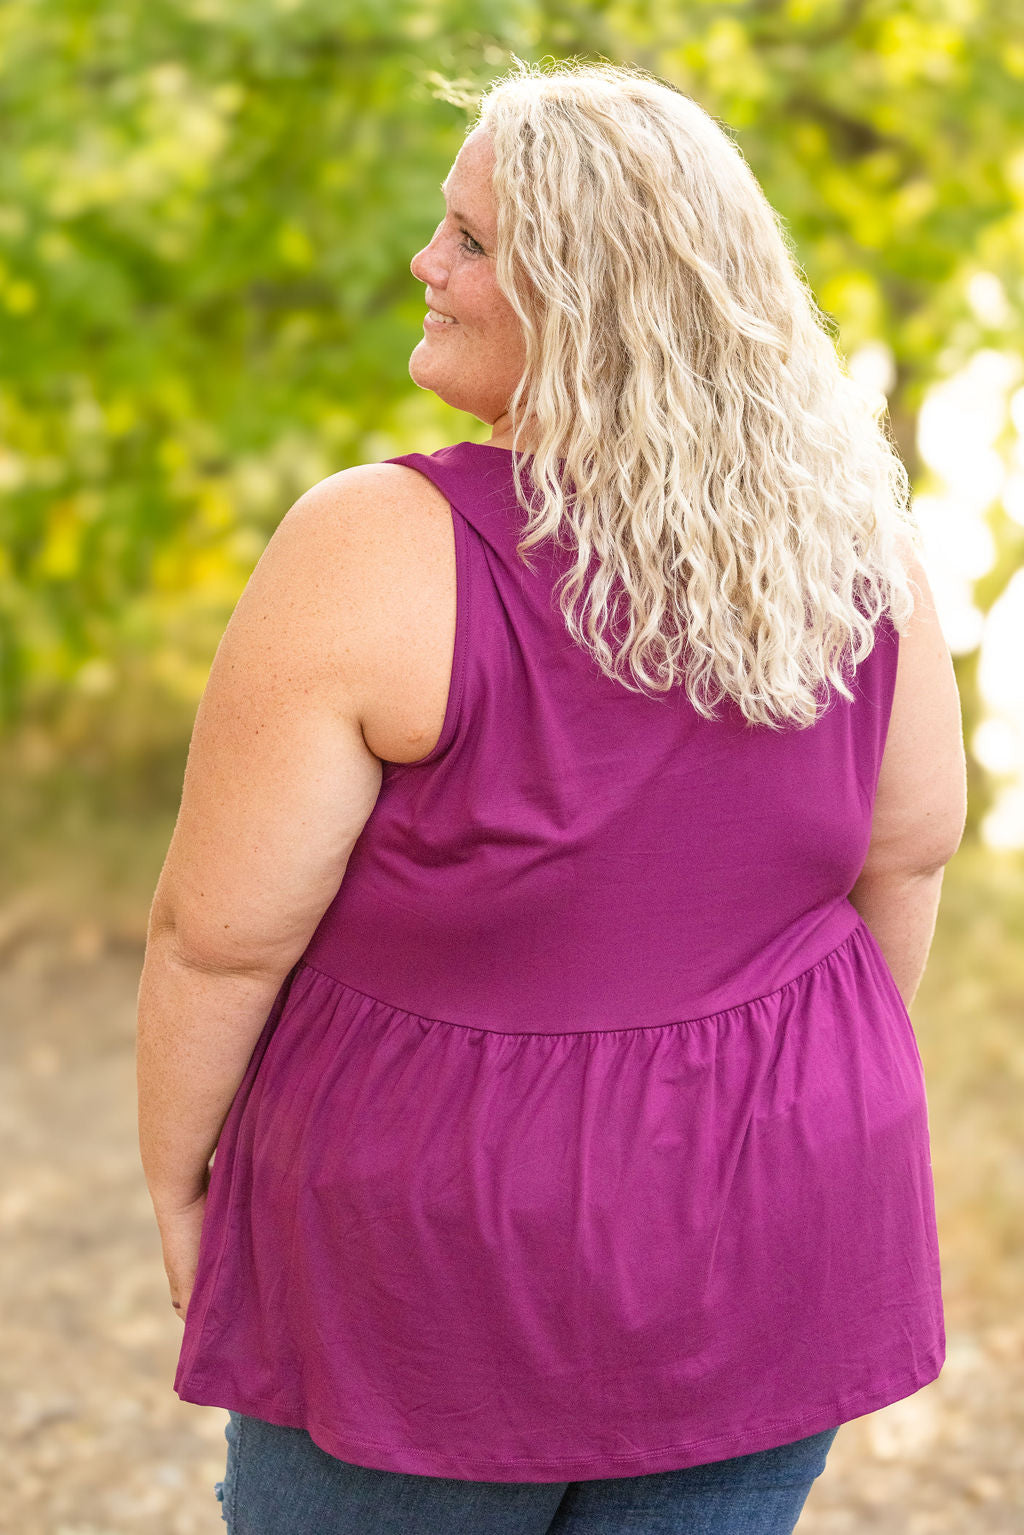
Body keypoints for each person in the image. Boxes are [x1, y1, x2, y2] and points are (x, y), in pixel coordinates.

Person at [135, 57, 967, 1535]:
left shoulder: (375, 547)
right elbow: (903, 871)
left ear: (587, 299)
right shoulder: (871, 553)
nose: (425, 264)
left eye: (468, 240)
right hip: (774, 1227)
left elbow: (218, 939)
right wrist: (789, 1117)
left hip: (428, 1260)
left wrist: (185, 1191)